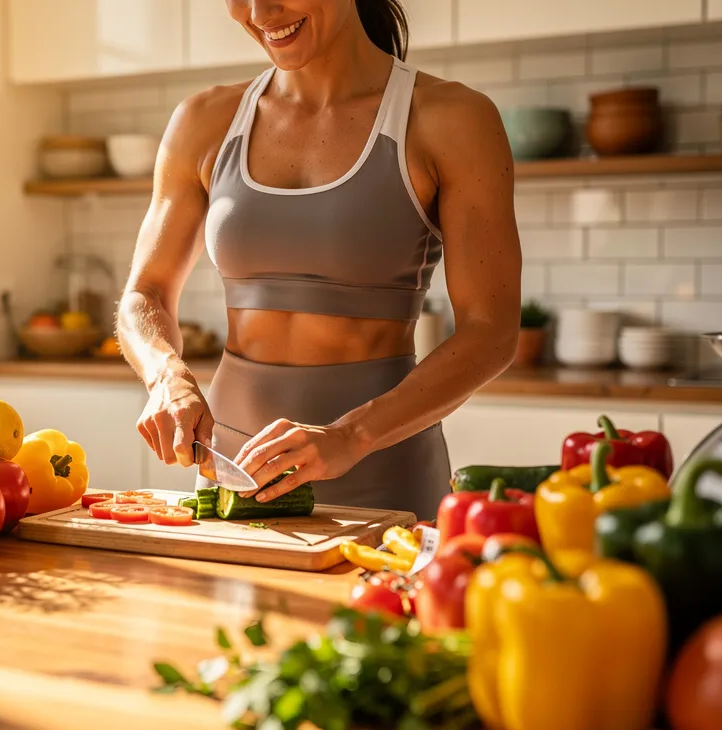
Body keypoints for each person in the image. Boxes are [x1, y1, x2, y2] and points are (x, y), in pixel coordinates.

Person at [117, 0, 522, 516]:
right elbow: (144, 293)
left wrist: (350, 435)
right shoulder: (204, 121)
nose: (260, 11)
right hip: (235, 472)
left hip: (382, 472)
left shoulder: (452, 118)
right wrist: (165, 376)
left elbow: (491, 331)